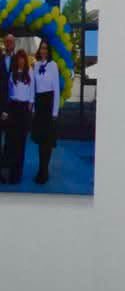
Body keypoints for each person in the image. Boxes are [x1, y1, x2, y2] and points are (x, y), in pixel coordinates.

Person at [30, 39, 60, 185]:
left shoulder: (53, 65)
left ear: (49, 51)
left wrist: (55, 112)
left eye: (46, 48)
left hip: (49, 103)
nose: (43, 51)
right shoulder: (35, 65)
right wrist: (33, 108)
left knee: (47, 141)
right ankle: (41, 169)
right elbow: (33, 88)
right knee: (40, 140)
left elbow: (57, 89)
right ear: (39, 50)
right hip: (39, 104)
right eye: (42, 48)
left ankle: (44, 171)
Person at [2, 50, 32, 185]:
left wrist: (31, 106)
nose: (21, 61)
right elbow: (8, 93)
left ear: (25, 60)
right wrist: (6, 111)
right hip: (13, 109)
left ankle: (17, 174)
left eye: (23, 58)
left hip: (24, 110)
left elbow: (32, 92)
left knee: (21, 143)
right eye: (19, 58)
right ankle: (9, 172)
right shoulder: (11, 74)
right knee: (11, 142)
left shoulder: (30, 72)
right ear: (16, 60)